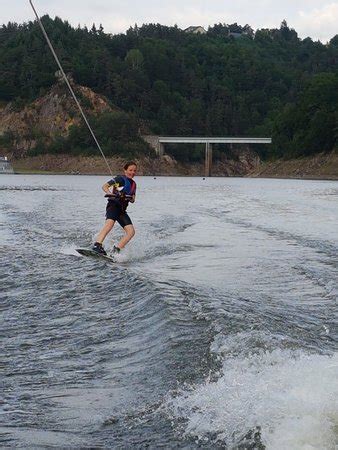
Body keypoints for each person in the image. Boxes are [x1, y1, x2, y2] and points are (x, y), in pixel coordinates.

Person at [92, 162, 137, 255]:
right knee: (109, 224)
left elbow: (133, 199)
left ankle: (116, 250)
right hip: (113, 206)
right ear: (125, 170)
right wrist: (113, 194)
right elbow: (104, 186)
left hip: (122, 210)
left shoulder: (133, 184)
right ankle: (97, 245)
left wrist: (127, 197)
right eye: (130, 170)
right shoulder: (119, 179)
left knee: (131, 232)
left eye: (134, 171)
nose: (132, 172)